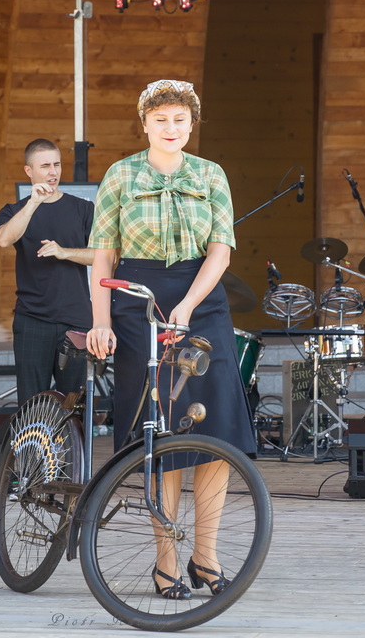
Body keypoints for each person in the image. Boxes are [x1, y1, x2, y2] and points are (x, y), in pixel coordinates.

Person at [86, 80, 255, 601]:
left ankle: (205, 557)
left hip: (201, 300)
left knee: (216, 432)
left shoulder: (211, 174)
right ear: (145, 124)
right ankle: (165, 562)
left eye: (180, 119)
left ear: (190, 124)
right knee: (159, 434)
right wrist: (101, 321)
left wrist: (188, 304)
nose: (171, 128)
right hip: (137, 300)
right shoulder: (121, 173)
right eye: (161, 119)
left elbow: (221, 249)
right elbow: (102, 255)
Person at [0, 139, 95, 404]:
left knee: (74, 404)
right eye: (45, 166)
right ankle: (33, 448)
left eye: (57, 164)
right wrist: (33, 204)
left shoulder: (83, 209)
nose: (53, 172)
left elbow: (105, 256)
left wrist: (65, 252)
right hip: (32, 319)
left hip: (76, 319)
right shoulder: (14, 211)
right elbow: (4, 239)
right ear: (29, 171)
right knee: (31, 403)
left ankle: (72, 448)